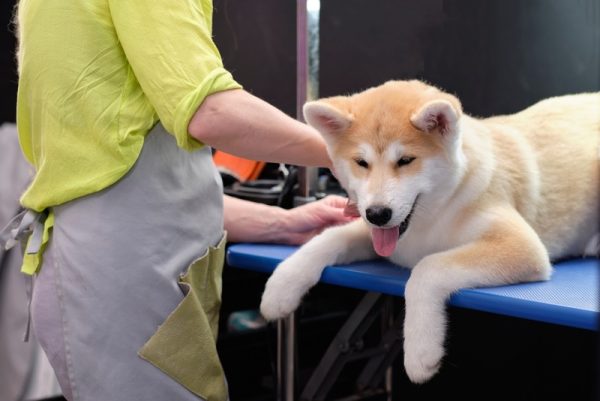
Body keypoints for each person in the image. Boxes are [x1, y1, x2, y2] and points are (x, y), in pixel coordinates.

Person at [9, 1, 354, 400]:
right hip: (127, 281)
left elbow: (125, 175)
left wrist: (282, 222)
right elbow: (210, 111)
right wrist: (358, 153)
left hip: (102, 268)